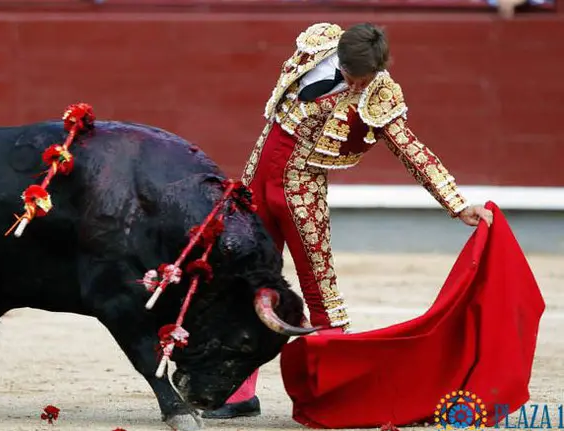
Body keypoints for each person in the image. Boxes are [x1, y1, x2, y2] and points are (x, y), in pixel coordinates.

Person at [201, 22, 494, 420]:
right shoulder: (317, 45)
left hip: (302, 192)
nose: (359, 85)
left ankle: (332, 396)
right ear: (340, 58)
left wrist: (457, 203)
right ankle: (237, 392)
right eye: (355, 77)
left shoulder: (379, 94)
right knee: (244, 281)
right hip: (258, 180)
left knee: (322, 295)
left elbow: (411, 149)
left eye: (366, 78)